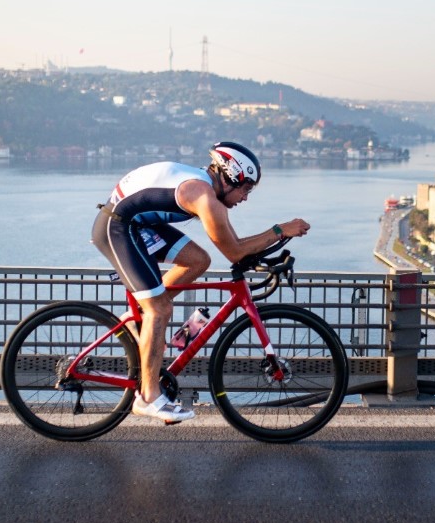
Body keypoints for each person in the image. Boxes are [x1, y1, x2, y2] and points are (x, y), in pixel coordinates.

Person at [91, 141, 310, 423]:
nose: (246, 197)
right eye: (246, 188)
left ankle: (142, 320)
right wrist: (279, 230)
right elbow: (234, 251)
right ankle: (148, 397)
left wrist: (264, 254)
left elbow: (238, 246)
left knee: (198, 261)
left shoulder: (210, 195)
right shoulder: (203, 197)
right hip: (118, 227)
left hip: (139, 223)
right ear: (231, 177)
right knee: (160, 310)